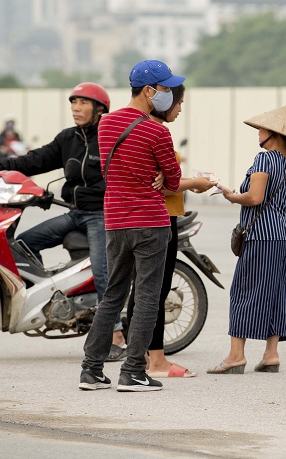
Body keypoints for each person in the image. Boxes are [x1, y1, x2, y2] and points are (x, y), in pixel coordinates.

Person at [0, 83, 129, 359]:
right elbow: (35, 160)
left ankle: (115, 333)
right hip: (74, 212)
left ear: (100, 109)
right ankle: (52, 298)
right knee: (22, 244)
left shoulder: (110, 137)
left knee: (104, 272)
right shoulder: (67, 138)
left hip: (101, 215)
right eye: (73, 103)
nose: (76, 108)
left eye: (83, 103)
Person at [79, 60, 183, 392]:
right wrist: (161, 176)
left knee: (113, 295)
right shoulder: (157, 131)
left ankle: (92, 370)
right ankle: (133, 371)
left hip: (115, 220)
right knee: (148, 297)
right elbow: (175, 180)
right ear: (150, 91)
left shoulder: (105, 124)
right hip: (150, 223)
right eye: (165, 89)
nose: (168, 94)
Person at [210, 106, 286, 375]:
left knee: (244, 291)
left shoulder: (265, 159)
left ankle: (235, 356)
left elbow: (254, 197)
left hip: (263, 235)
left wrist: (231, 196)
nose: (258, 132)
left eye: (262, 129)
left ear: (273, 133)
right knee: (279, 292)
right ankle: (271, 354)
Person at [130, 84, 215, 379]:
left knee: (142, 290)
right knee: (156, 290)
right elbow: (165, 185)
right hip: (160, 218)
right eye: (178, 103)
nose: (179, 109)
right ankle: (156, 360)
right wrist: (195, 183)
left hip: (154, 217)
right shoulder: (155, 132)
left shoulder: (141, 129)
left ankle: (140, 355)